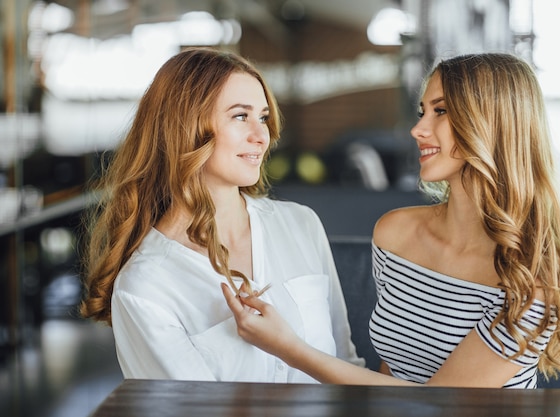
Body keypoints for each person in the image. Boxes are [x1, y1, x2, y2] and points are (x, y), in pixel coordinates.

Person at [222, 52, 560, 388]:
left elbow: (441, 404)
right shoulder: (395, 233)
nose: (418, 129)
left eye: (441, 111)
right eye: (422, 112)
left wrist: (287, 347)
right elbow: (392, 370)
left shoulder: (534, 275)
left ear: (492, 123)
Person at [79, 47, 364, 382]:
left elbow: (347, 367)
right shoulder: (145, 286)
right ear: (185, 127)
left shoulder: (300, 224)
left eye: (262, 117)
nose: (262, 137)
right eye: (241, 116)